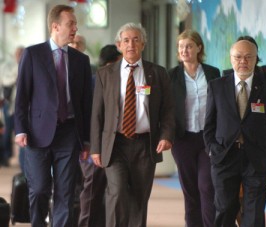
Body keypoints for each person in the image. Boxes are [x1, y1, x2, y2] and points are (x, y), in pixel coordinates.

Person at [14, 5, 92, 227]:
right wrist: (20, 129)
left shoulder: (81, 60)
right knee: (39, 189)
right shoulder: (33, 54)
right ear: (55, 26)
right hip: (37, 133)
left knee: (65, 192)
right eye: (71, 24)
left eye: (75, 24)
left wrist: (85, 139)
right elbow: (22, 97)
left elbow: (85, 103)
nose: (75, 28)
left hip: (69, 132)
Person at [90, 22, 175, 227]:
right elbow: (97, 113)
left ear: (143, 44)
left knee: (139, 199)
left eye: (136, 40)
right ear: (119, 45)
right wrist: (95, 148)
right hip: (115, 144)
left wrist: (166, 135)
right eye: (126, 40)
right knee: (117, 192)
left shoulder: (158, 73)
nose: (131, 44)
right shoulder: (106, 74)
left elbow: (168, 109)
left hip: (145, 144)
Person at [203, 39, 266, 226]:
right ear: (231, 59)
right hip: (224, 156)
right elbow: (209, 125)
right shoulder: (217, 86)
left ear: (256, 59)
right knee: (225, 208)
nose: (243, 61)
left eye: (248, 57)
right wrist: (213, 150)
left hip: (257, 158)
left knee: (254, 212)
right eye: (238, 57)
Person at [169, 29, 220, 227]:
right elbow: (165, 108)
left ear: (199, 48)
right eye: (181, 47)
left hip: (208, 138)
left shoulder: (212, 73)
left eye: (189, 46)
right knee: (190, 190)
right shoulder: (171, 75)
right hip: (182, 139)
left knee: (207, 186)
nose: (184, 50)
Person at [77, 43, 121, 227]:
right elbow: (90, 116)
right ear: (113, 62)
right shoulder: (95, 82)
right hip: (95, 147)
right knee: (92, 191)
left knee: (109, 193)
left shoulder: (121, 80)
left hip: (115, 146)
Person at [0, 46, 24, 167]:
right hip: (9, 105)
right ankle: (6, 156)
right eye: (18, 53)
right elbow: (4, 82)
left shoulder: (26, 65)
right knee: (7, 131)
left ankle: (22, 159)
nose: (19, 55)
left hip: (20, 106)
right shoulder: (8, 67)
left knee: (20, 132)